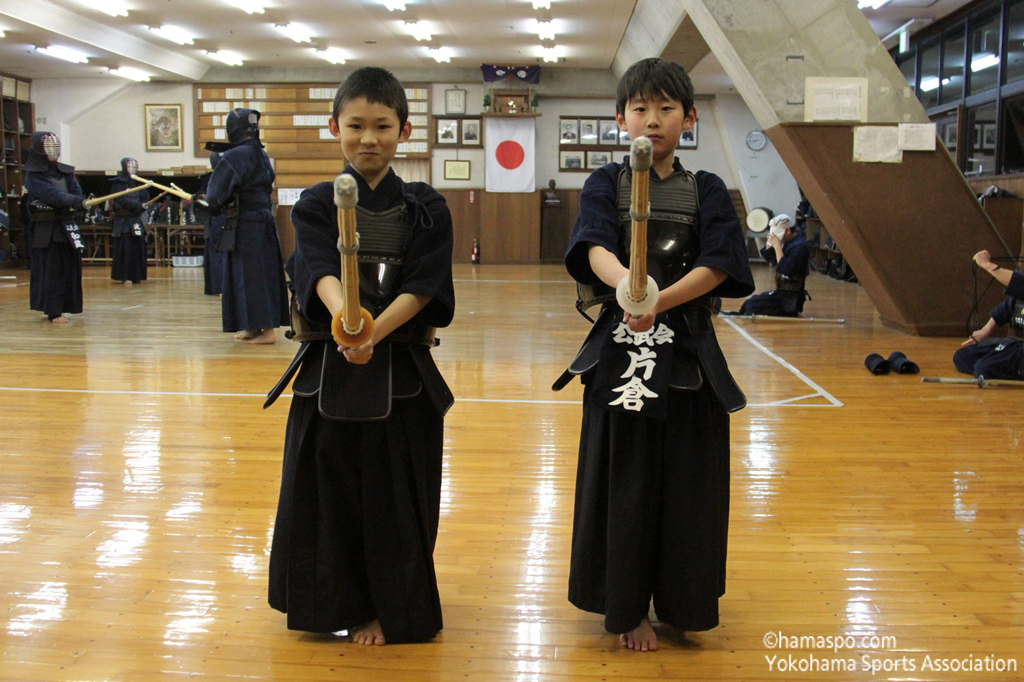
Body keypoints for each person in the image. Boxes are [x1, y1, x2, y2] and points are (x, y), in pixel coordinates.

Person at [553, 57, 754, 652]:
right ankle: (627, 607)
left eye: (667, 108)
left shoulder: (707, 190)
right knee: (626, 483)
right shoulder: (603, 184)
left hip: (688, 353)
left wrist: (659, 301)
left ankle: (682, 601)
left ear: (689, 118)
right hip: (621, 352)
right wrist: (630, 290)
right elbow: (593, 246)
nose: (653, 119)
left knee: (688, 484)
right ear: (621, 119)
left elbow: (720, 264)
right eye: (640, 108)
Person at [264, 66, 455, 646]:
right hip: (330, 370)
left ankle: (386, 606)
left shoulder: (426, 206)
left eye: (382, 126)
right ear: (334, 128)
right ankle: (332, 602)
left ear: (403, 130)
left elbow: (425, 284)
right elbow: (316, 267)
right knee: (328, 489)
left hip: (401, 370)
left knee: (395, 494)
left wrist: (372, 329)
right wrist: (347, 321)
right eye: (355, 126)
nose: (368, 138)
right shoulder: (317, 203)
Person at [199, 108, 288, 344]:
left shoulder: (236, 155)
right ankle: (253, 327)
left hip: (246, 223)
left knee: (252, 276)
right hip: (261, 222)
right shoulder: (260, 154)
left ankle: (266, 331)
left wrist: (206, 203)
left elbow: (216, 194)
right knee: (252, 274)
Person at [23, 131, 87, 325]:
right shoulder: (34, 176)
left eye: (54, 146)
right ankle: (53, 311)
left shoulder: (66, 172)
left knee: (70, 269)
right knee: (53, 271)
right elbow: (51, 195)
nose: (52, 151)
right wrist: (76, 202)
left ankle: (67, 306)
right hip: (48, 230)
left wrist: (80, 201)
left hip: (67, 227)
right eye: (48, 147)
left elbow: (76, 191)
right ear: (39, 150)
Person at [954, 249, 1024, 379]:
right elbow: (1005, 310)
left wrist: (986, 264)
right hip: (1016, 344)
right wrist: (984, 331)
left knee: (983, 368)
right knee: (963, 357)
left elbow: (1015, 281)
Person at [737, 213, 810, 316]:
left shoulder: (799, 247)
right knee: (750, 302)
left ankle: (789, 311)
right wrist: (771, 243)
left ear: (788, 230)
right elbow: (770, 258)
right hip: (781, 292)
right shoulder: (788, 242)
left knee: (752, 307)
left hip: (791, 297)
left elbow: (786, 269)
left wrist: (778, 248)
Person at [109, 157, 149, 286]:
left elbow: (145, 197)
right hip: (123, 221)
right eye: (129, 166)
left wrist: (143, 204)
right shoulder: (118, 184)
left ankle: (137, 275)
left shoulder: (139, 183)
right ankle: (124, 276)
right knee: (125, 247)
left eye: (134, 166)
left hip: (136, 220)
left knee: (137, 247)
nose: (132, 169)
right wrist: (137, 205)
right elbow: (121, 199)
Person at [199, 152, 227, 296]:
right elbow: (204, 196)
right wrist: (199, 198)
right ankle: (216, 286)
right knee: (215, 252)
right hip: (214, 219)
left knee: (221, 252)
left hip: (224, 218)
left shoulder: (227, 176)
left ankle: (221, 286)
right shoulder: (209, 178)